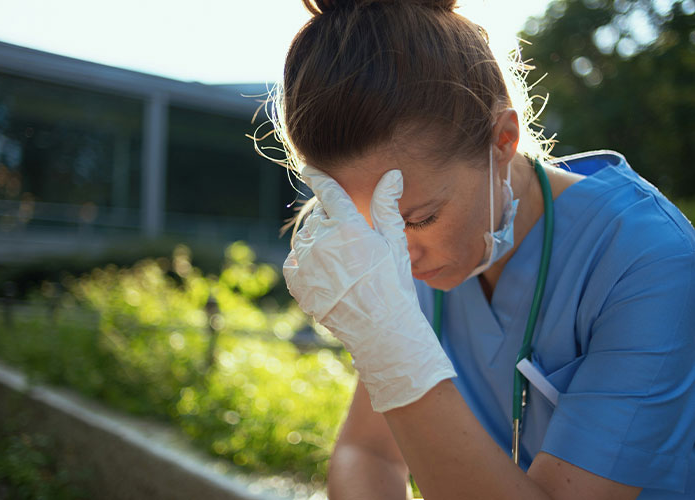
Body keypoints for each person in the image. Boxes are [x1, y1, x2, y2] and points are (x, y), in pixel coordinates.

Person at [270, 1, 695, 498]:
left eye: (420, 218)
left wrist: (396, 361)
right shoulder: (404, 255)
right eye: (371, 230)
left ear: (503, 138)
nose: (399, 257)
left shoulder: (651, 259)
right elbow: (365, 452)